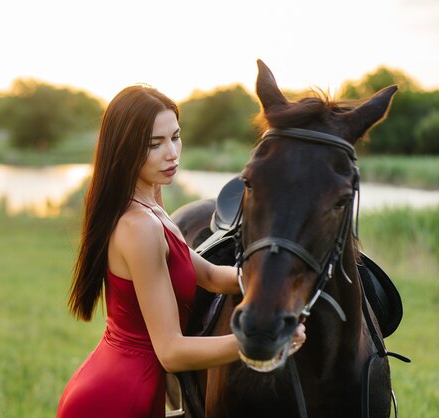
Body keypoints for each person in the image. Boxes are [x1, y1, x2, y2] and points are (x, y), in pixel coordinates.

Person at [56, 85, 306, 418]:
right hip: (116, 399)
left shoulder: (151, 202)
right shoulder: (138, 227)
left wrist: (284, 279)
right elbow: (171, 352)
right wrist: (262, 342)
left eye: (175, 137)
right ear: (124, 149)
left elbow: (211, 276)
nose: (172, 153)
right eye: (154, 144)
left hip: (125, 384)